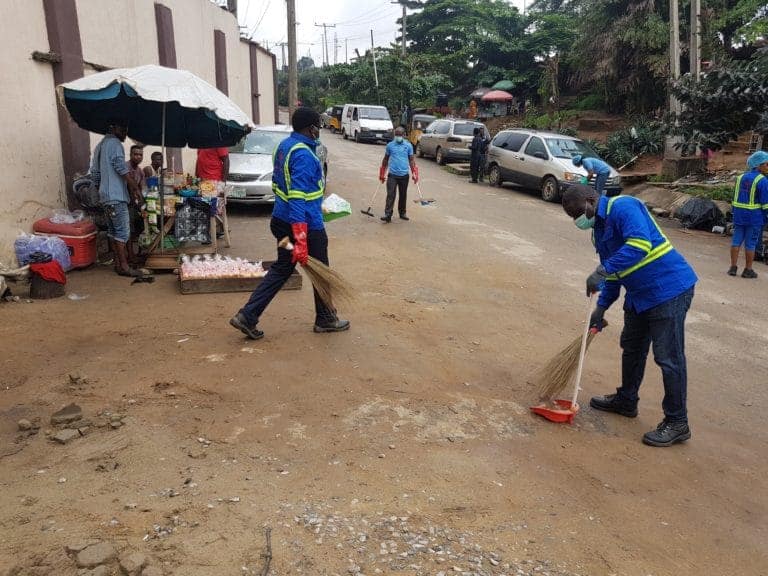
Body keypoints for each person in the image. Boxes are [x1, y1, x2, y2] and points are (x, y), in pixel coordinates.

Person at [562, 183, 698, 447]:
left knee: (668, 358)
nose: (578, 220)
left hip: (668, 289)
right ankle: (627, 400)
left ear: (591, 199)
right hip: (639, 296)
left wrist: (601, 271)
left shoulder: (624, 206)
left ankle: (677, 422)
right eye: (573, 217)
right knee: (632, 348)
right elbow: (614, 273)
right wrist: (602, 307)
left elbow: (639, 244)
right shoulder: (599, 230)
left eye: (578, 212)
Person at [229, 107, 349, 339]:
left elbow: (281, 185)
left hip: (281, 223)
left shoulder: (284, 147)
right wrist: (301, 240)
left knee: (283, 267)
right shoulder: (303, 155)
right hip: (305, 227)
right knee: (321, 271)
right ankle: (325, 318)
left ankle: (247, 315)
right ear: (311, 128)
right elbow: (296, 197)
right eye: (318, 127)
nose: (319, 131)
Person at [90, 119, 143, 277]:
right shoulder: (115, 144)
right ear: (113, 128)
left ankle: (118, 264)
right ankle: (124, 266)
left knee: (113, 232)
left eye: (126, 129)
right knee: (122, 232)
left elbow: (95, 172)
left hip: (106, 197)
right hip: (116, 196)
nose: (125, 133)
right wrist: (135, 187)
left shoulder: (100, 146)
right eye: (122, 129)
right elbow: (121, 168)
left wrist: (101, 189)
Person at [728, 150, 768, 278]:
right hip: (754, 217)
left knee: (736, 241)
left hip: (738, 215)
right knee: (751, 243)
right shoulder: (762, 180)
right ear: (759, 165)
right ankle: (748, 269)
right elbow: (765, 203)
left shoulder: (740, 178)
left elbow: (735, 197)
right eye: (766, 164)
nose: (767, 167)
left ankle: (733, 267)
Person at [379, 126, 418, 223]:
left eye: (400, 135)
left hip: (404, 175)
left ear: (404, 135)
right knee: (390, 195)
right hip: (392, 174)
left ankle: (402, 213)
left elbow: (411, 160)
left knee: (403, 195)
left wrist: (414, 172)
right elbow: (386, 159)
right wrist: (382, 172)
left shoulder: (408, 145)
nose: (398, 136)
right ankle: (388, 214)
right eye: (396, 135)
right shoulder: (390, 145)